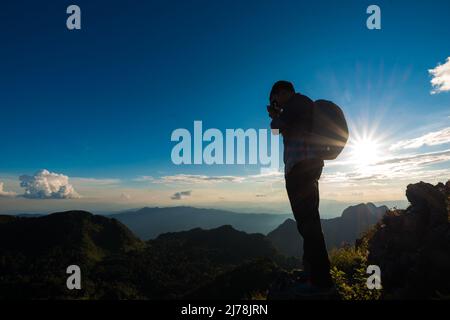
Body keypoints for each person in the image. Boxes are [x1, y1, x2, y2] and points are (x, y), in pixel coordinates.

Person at [267, 80, 334, 295]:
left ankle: (321, 282)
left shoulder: (297, 103)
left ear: (281, 92)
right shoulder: (299, 107)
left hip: (301, 168)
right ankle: (312, 273)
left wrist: (275, 116)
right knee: (307, 223)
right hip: (306, 166)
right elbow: (280, 132)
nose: (274, 102)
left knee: (308, 224)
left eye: (274, 98)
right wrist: (278, 115)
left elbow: (275, 128)